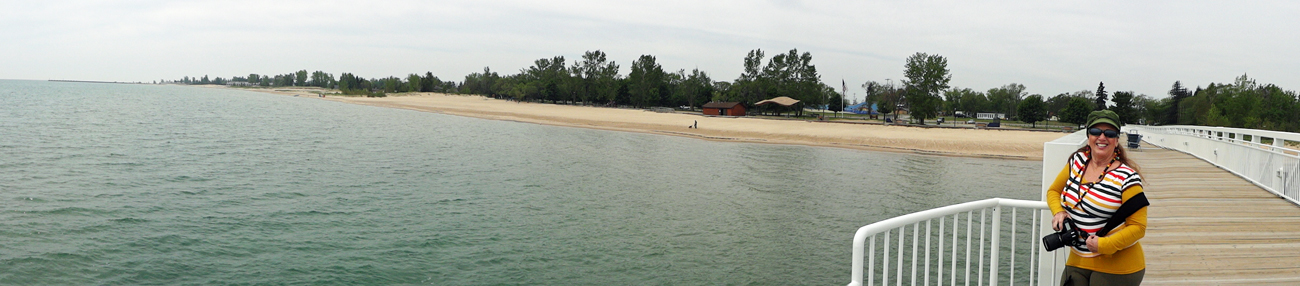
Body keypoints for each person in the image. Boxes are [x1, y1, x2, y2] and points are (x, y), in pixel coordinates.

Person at [1046, 110, 1148, 286]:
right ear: (1088, 136)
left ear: (1116, 140)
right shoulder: (1077, 161)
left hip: (1118, 265)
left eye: (1109, 133)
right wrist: (1059, 212)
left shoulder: (1127, 177)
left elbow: (1138, 227)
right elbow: (1054, 191)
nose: (1102, 137)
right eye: (1095, 132)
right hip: (1077, 260)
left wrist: (1104, 245)